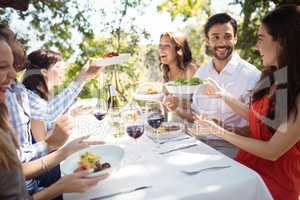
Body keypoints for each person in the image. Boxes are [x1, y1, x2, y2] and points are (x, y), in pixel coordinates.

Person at [193, 5, 300, 200]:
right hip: (246, 169)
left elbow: (272, 151)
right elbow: (259, 117)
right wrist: (222, 94)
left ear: (282, 41)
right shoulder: (276, 77)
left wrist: (219, 131)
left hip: (271, 184)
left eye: (261, 39)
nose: (257, 47)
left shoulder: (295, 91)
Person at [0, 32, 108, 200]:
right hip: (39, 179)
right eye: (2, 66)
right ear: (44, 72)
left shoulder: (17, 90)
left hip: (34, 184)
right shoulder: (19, 94)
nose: (21, 43)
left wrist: (62, 148)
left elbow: (19, 158)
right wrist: (56, 150)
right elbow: (17, 168)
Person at [164, 13, 261, 158]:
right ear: (207, 41)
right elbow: (193, 116)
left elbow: (259, 127)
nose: (222, 43)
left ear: (235, 39)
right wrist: (176, 106)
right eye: (215, 37)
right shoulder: (201, 73)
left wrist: (223, 128)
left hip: (233, 149)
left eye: (227, 36)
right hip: (198, 143)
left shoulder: (252, 76)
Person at [159, 32, 197, 122]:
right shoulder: (166, 72)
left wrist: (178, 102)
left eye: (167, 46)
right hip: (173, 128)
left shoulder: (190, 70)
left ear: (178, 50)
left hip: (192, 129)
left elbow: (202, 105)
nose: (161, 49)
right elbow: (166, 106)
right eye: (160, 45)